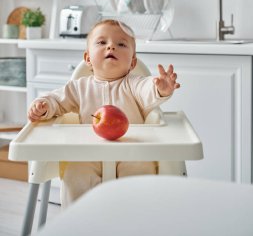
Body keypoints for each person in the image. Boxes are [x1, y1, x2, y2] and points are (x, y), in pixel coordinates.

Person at [28, 19, 180, 208]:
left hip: (132, 150)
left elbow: (149, 90)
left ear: (133, 62)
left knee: (140, 171)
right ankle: (82, 220)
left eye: (121, 44)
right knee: (75, 172)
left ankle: (134, 220)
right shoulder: (79, 88)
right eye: (102, 42)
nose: (111, 47)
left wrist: (161, 89)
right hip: (88, 152)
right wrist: (43, 105)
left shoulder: (135, 84)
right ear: (88, 59)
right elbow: (57, 100)